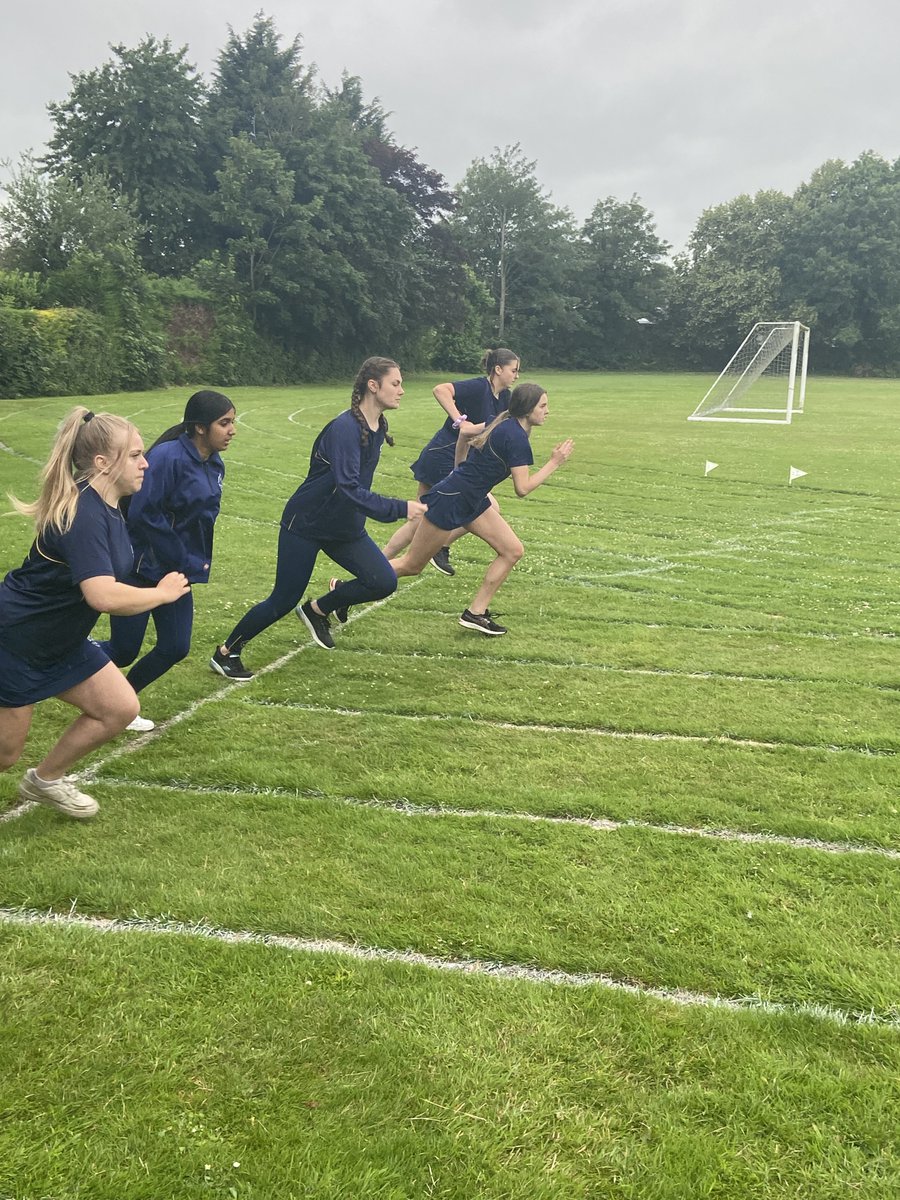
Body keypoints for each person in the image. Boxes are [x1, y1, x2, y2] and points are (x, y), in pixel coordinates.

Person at [0, 408, 190, 819]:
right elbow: (101, 595)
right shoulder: (84, 514)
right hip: (17, 641)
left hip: (60, 642)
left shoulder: (110, 505)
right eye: (136, 454)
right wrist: (160, 594)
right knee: (5, 753)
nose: (146, 462)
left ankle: (45, 781)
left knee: (121, 708)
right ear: (103, 463)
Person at [211, 357, 426, 679]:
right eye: (396, 383)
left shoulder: (377, 426)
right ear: (373, 385)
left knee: (383, 581)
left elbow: (352, 492)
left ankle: (318, 610)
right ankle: (227, 652)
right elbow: (349, 488)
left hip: (344, 528)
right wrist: (399, 508)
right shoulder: (344, 429)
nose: (402, 391)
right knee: (283, 599)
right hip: (307, 524)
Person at [389, 383, 574, 636]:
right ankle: (347, 588)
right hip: (453, 498)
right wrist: (554, 462)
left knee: (512, 550)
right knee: (411, 565)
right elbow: (523, 488)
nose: (547, 411)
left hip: (472, 499)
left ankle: (475, 613)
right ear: (528, 409)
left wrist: (459, 468)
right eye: (543, 406)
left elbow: (464, 433)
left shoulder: (500, 421)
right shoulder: (517, 439)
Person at [98, 391, 236, 731]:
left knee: (175, 646)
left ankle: (123, 701)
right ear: (200, 428)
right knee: (124, 649)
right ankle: (62, 653)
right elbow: (144, 514)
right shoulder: (167, 457)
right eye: (225, 423)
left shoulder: (215, 463)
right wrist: (179, 556)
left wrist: (192, 561)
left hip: (179, 570)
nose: (232, 430)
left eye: (233, 422)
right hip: (142, 569)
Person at [382, 348, 520, 576]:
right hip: (442, 456)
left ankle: (375, 566)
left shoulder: (505, 398)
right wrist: (459, 421)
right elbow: (441, 390)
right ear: (498, 369)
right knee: (490, 506)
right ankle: (441, 546)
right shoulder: (478, 387)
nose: (517, 375)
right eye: (513, 370)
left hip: (456, 460)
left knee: (419, 519)